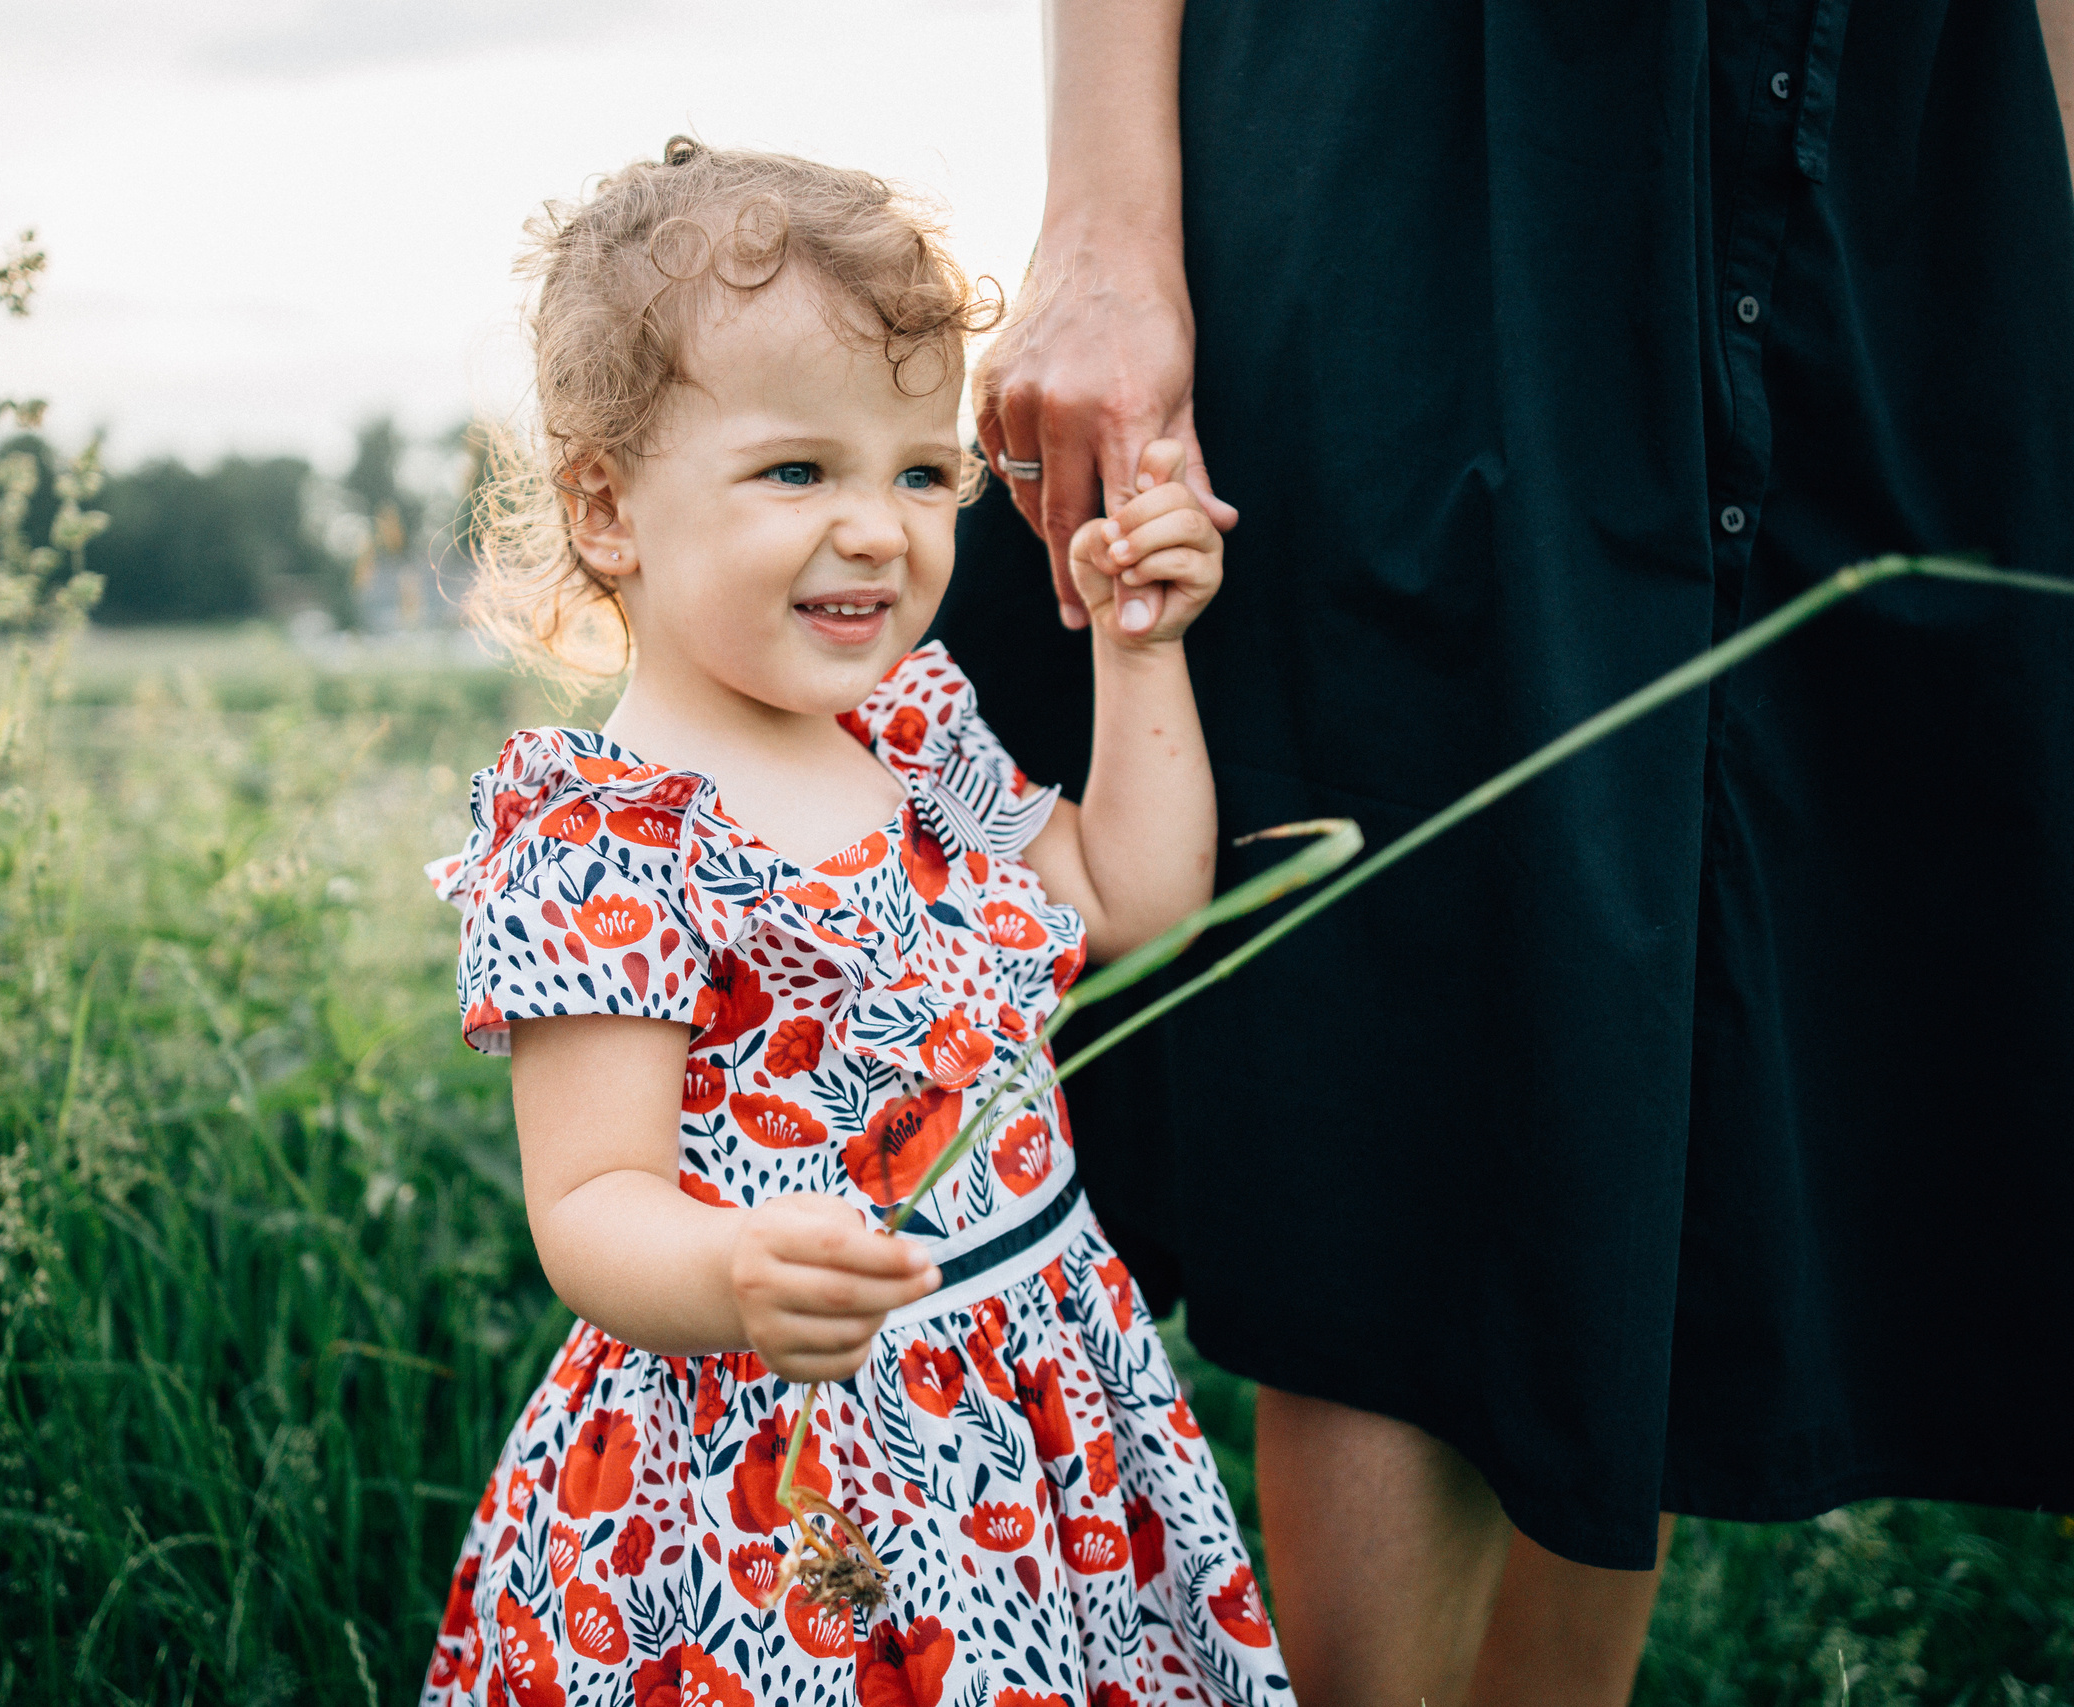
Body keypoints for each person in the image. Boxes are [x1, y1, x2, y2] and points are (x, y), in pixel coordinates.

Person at [950, 3, 2074, 1705]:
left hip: (1889, 121)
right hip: (1433, 106)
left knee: (1686, 964)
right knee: (1423, 974)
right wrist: (1105, 221)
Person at [419, 139, 1292, 1706]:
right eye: (798, 472)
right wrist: (735, 1268)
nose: (884, 528)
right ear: (608, 507)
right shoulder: (608, 837)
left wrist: (1141, 650)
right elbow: (594, 1202)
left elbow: (1128, 898)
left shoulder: (910, 733)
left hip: (1026, 1403)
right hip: (783, 1475)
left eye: (919, 473)